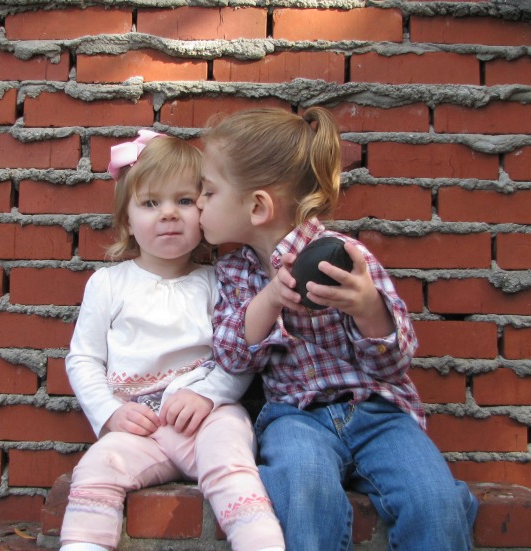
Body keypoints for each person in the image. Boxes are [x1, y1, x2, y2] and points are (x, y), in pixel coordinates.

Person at [197, 107, 478, 550]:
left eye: (208, 192)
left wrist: (368, 308)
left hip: (379, 412)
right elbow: (231, 354)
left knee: (435, 501)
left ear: (257, 206)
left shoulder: (344, 258)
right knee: (304, 495)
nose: (197, 204)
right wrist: (270, 298)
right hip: (296, 418)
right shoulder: (235, 273)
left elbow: (396, 359)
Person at [59, 130, 285, 551]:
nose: (169, 214)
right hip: (138, 426)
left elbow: (238, 355)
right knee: (96, 469)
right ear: (127, 218)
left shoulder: (219, 282)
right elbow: (83, 360)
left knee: (231, 464)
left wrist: (209, 397)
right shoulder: (108, 284)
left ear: (204, 210)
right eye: (151, 203)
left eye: (184, 201)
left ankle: (260, 542)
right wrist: (110, 413)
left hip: (206, 416)